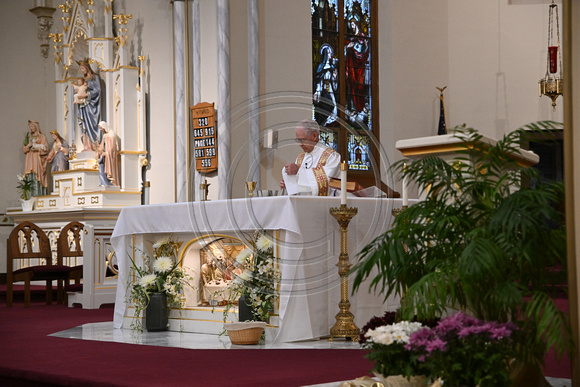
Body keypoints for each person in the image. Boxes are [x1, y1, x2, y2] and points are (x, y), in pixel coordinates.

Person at [280, 119, 341, 196]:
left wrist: (298, 171)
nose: (300, 144)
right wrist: (288, 184)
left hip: (325, 205)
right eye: (298, 140)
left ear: (314, 136)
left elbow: (323, 183)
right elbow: (300, 187)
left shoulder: (331, 156)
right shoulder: (301, 157)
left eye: (302, 140)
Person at [76, 58, 102, 152]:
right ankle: (86, 146)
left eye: (83, 68)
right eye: (81, 69)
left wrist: (86, 94)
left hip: (92, 106)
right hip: (83, 106)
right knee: (84, 126)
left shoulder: (94, 78)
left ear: (87, 67)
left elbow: (98, 90)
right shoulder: (84, 80)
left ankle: (94, 145)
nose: (82, 71)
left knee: (91, 124)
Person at [22, 120, 49, 196]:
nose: (31, 128)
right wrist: (28, 146)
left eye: (32, 126)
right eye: (30, 127)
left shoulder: (41, 136)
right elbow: (24, 150)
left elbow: (46, 149)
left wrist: (37, 149)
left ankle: (39, 195)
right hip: (29, 158)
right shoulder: (29, 137)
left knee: (37, 175)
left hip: (37, 159)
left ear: (36, 126)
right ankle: (30, 196)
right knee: (30, 175)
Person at [96, 121, 120, 187]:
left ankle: (110, 183)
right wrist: (99, 151)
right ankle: (103, 182)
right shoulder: (104, 135)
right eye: (100, 129)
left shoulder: (111, 134)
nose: (101, 130)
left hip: (110, 156)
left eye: (102, 128)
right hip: (104, 156)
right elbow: (102, 145)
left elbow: (112, 147)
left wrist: (106, 153)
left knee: (108, 169)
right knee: (101, 167)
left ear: (104, 127)